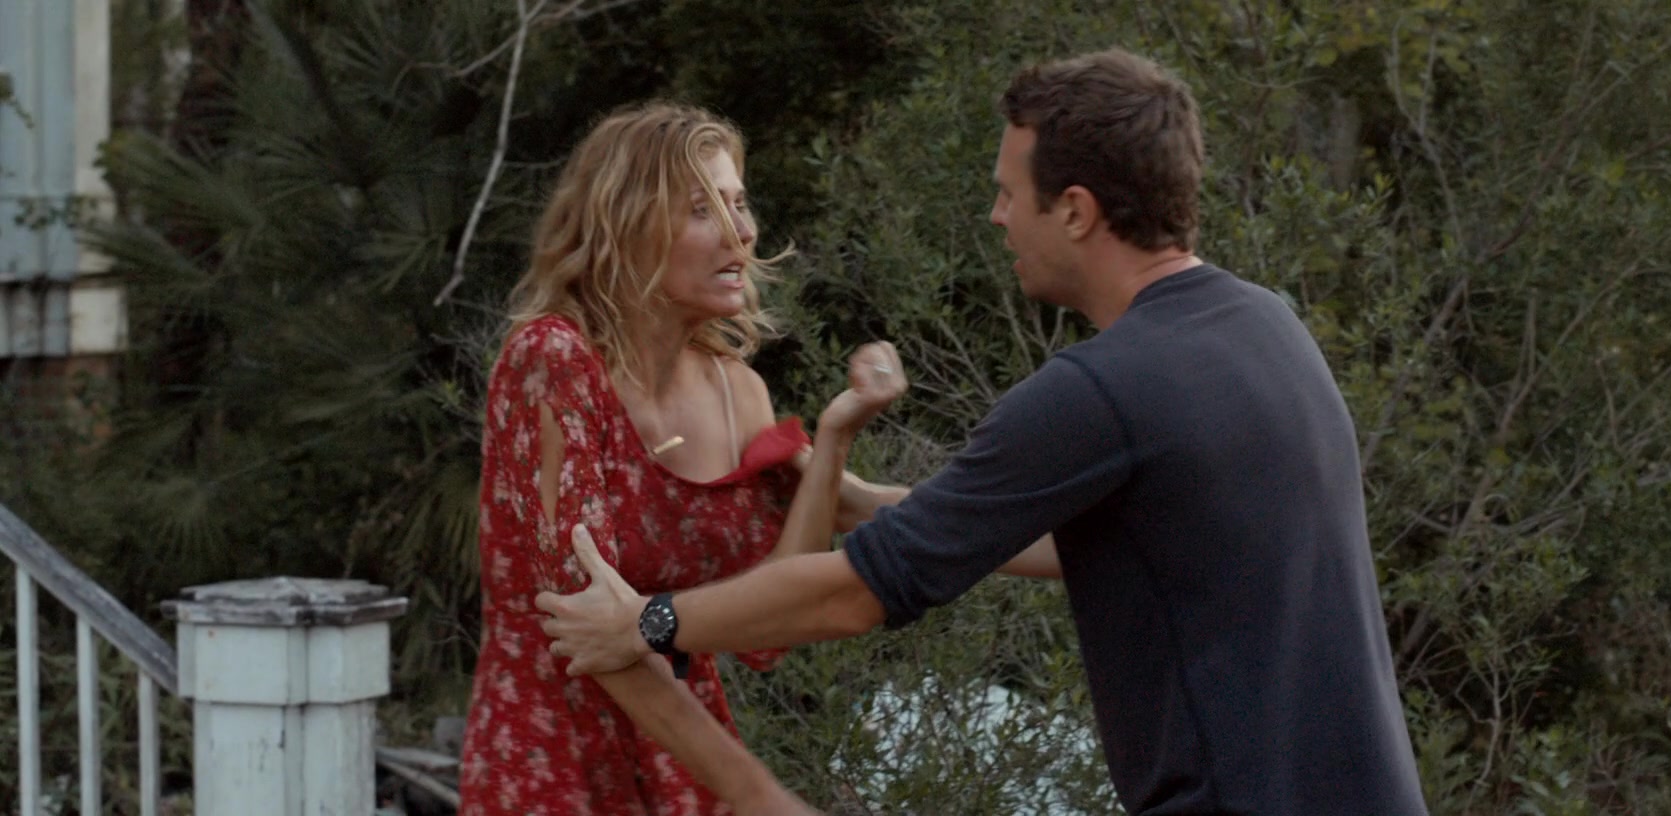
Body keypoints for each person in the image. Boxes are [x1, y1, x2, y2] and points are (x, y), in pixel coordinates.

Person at [538, 51, 1430, 815]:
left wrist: (650, 622)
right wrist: (864, 501)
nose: (999, 216)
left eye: (1009, 193)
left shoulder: (1099, 390)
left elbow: (857, 596)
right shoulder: (1263, 326)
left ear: (1075, 209)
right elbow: (1110, 537)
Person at [458, 101, 906, 816]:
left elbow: (772, 624)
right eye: (704, 209)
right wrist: (761, 796)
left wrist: (834, 439)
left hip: (686, 760)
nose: (743, 231)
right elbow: (586, 630)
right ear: (626, 227)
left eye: (739, 203)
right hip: (554, 761)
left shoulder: (737, 390)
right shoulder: (553, 359)